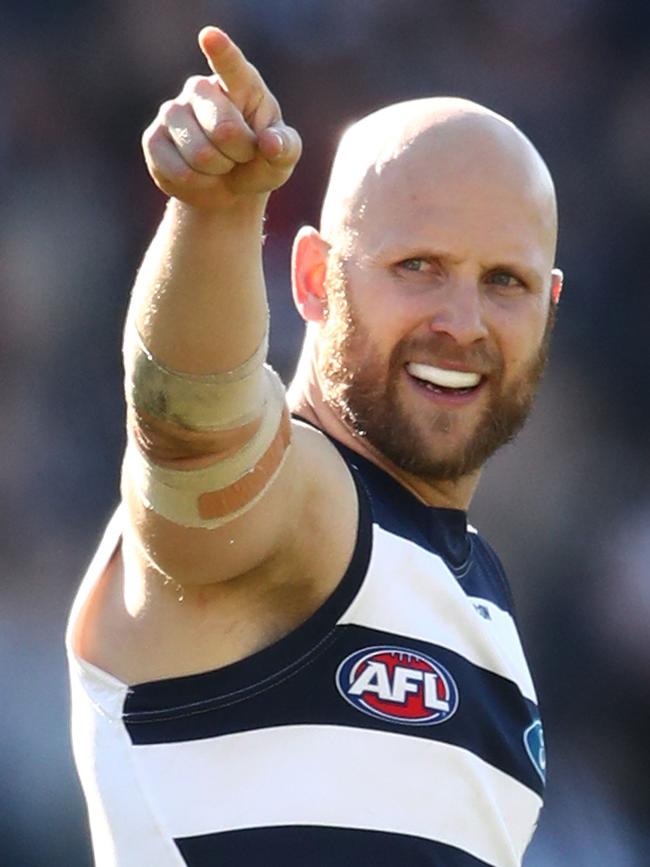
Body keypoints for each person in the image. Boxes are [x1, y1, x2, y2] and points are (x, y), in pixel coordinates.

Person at [67, 25, 562, 867]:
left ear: (549, 304)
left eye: (503, 282)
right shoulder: (301, 512)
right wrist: (215, 215)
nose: (462, 323)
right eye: (417, 265)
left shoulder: (478, 593)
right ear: (310, 279)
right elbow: (195, 424)